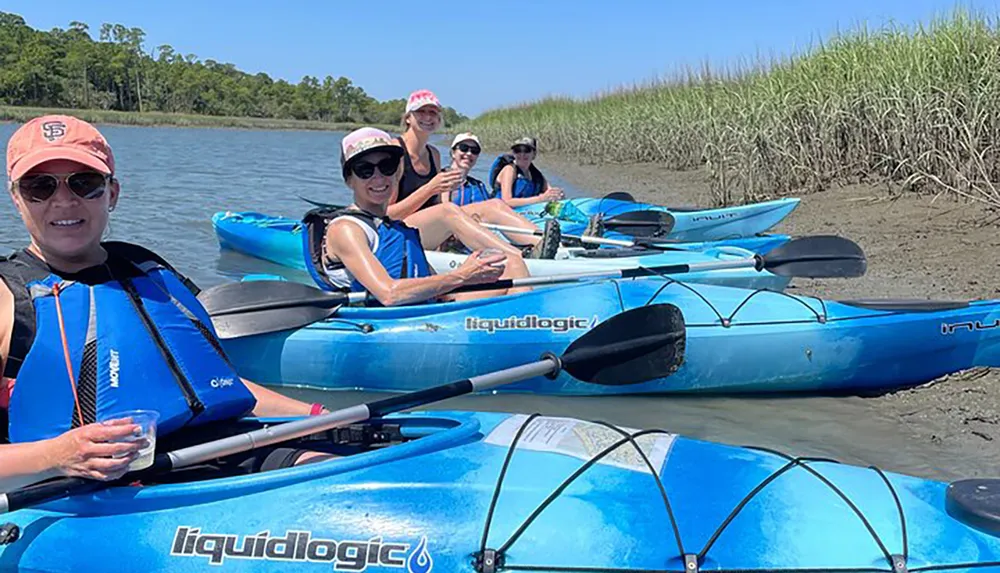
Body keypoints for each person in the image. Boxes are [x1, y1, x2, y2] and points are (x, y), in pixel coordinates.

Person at [0, 115, 331, 492]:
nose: (63, 201)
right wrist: (56, 456)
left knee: (335, 470)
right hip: (82, 493)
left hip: (210, 449)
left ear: (112, 193)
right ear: (16, 197)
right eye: (39, 186)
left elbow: (213, 383)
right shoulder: (9, 297)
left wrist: (317, 416)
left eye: (84, 183)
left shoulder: (144, 269)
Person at [305, 126, 531, 307]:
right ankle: (530, 336)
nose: (378, 177)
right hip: (392, 324)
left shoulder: (392, 227)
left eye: (387, 166)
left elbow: (429, 284)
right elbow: (389, 294)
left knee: (511, 263)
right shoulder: (347, 229)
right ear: (349, 180)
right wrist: (463, 275)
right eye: (365, 170)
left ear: (398, 171)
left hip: (427, 309)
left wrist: (471, 273)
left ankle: (528, 330)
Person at [389, 89, 559, 259]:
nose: (427, 117)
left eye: (432, 112)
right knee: (448, 211)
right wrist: (430, 189)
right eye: (421, 112)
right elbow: (386, 215)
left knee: (494, 205)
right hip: (396, 235)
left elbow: (438, 205)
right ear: (408, 118)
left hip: (427, 229)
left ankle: (545, 245)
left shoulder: (433, 154)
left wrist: (462, 224)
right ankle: (519, 256)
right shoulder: (394, 152)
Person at [442, 132, 561, 256]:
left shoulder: (477, 185)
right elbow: (444, 213)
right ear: (453, 152)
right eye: (463, 148)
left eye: (474, 151)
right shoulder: (443, 179)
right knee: (496, 206)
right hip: (456, 238)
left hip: (479, 233)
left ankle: (545, 245)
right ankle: (528, 251)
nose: (469, 154)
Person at [492, 137, 566, 208]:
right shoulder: (509, 170)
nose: (522, 154)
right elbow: (507, 201)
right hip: (501, 211)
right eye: (518, 150)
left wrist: (557, 194)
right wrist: (540, 199)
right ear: (513, 153)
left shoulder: (535, 174)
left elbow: (549, 191)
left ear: (534, 154)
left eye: (526, 150)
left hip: (524, 212)